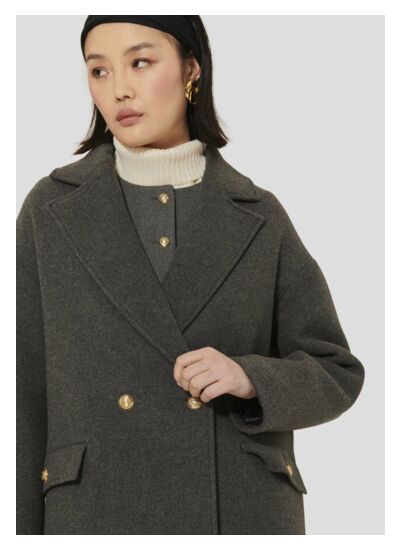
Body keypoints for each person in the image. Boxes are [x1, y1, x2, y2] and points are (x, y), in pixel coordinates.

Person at [16, 15, 365, 535]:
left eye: (140, 62)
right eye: (99, 70)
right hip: (95, 510)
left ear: (191, 70)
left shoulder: (257, 214)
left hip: (238, 511)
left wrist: (251, 378)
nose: (119, 89)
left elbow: (336, 371)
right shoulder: (51, 210)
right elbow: (20, 396)